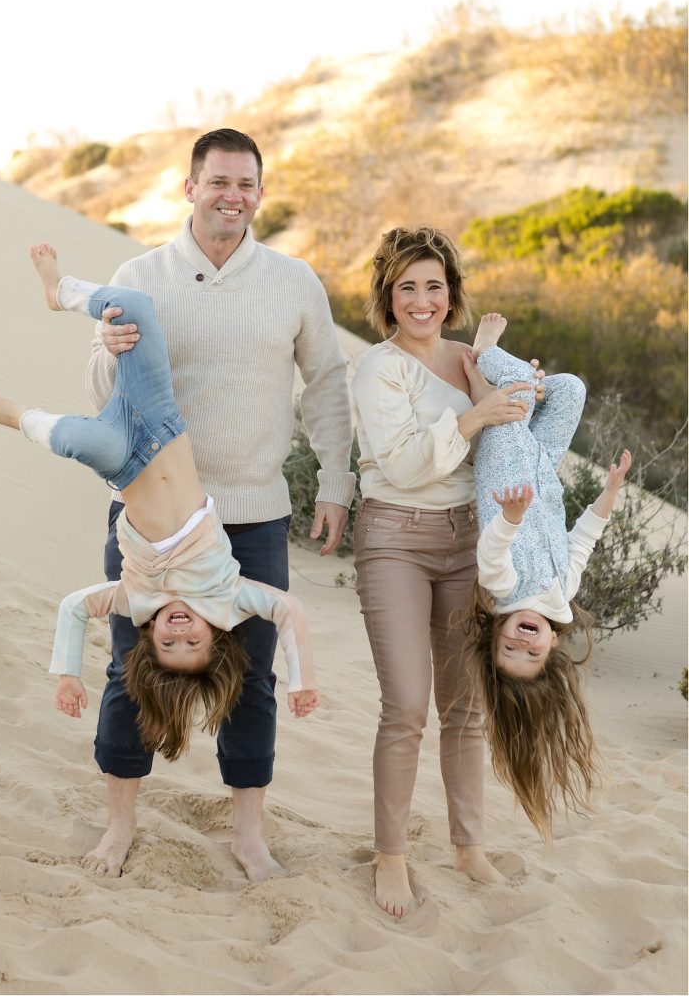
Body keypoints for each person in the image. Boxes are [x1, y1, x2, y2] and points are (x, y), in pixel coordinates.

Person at [83, 129, 355, 880]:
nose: (232, 197)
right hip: (152, 515)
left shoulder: (293, 281)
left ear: (260, 193)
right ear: (190, 188)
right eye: (218, 182)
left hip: (255, 511)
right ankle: (119, 824)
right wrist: (108, 350)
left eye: (245, 184)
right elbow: (101, 392)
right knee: (130, 668)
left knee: (254, 678)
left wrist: (336, 480)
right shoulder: (141, 275)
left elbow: (327, 382)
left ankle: (248, 834)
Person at [0, 246, 320, 766]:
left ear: (150, 637)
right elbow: (289, 610)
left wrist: (68, 674)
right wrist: (302, 679)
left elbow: (74, 608)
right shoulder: (229, 600)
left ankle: (18, 415)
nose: (179, 634)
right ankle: (60, 292)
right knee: (133, 305)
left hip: (123, 462)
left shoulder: (133, 601)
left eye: (168, 646)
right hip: (162, 421)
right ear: (214, 637)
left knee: (76, 441)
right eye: (192, 644)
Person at [351, 226, 542, 918]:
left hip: (469, 540)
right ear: (388, 297)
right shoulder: (378, 369)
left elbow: (513, 436)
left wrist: (522, 392)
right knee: (406, 705)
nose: (421, 300)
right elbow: (403, 464)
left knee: (464, 707)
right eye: (407, 287)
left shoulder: (469, 360)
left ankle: (468, 846)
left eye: (434, 285)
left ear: (451, 293)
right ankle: (391, 856)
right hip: (394, 539)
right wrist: (477, 415)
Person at [462, 312, 631, 840]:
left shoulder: (504, 592)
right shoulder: (565, 592)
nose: (522, 641)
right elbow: (583, 541)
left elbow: (491, 553)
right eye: (531, 653)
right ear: (552, 644)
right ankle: (502, 382)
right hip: (543, 465)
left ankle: (484, 351)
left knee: (520, 388)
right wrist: (609, 494)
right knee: (570, 389)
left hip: (505, 466)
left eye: (509, 649)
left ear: (496, 635)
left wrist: (510, 520)